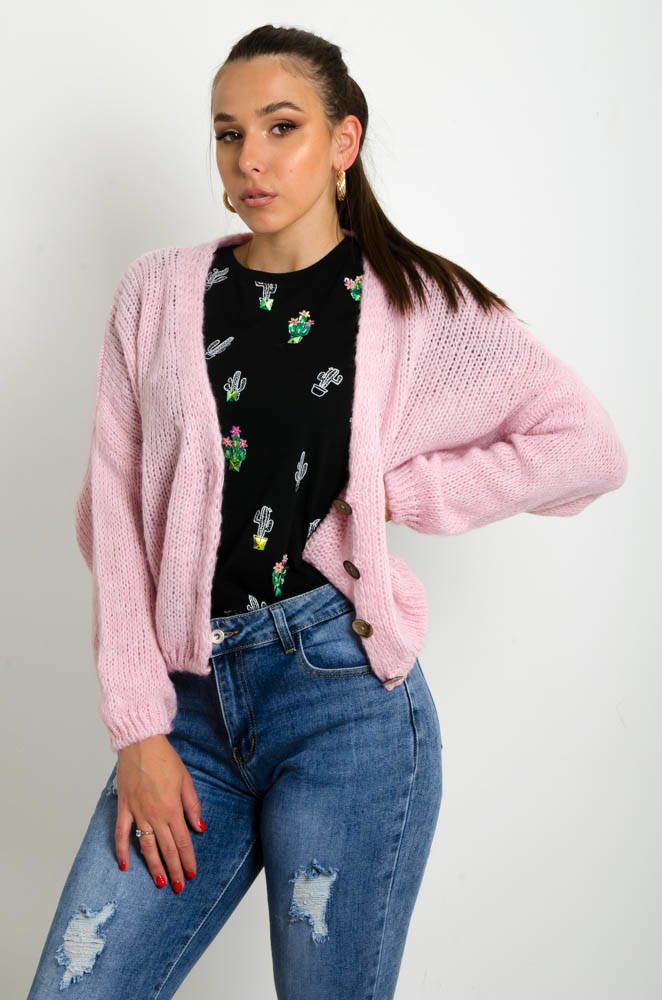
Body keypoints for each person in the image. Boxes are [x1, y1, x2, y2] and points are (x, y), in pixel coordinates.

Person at [27, 22, 628, 1000]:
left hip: (343, 704)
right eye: (228, 134)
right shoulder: (158, 294)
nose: (249, 159)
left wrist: (396, 492)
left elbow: (586, 444)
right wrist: (137, 727)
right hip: (184, 709)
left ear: (343, 140)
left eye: (281, 127)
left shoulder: (414, 304)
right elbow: (114, 516)